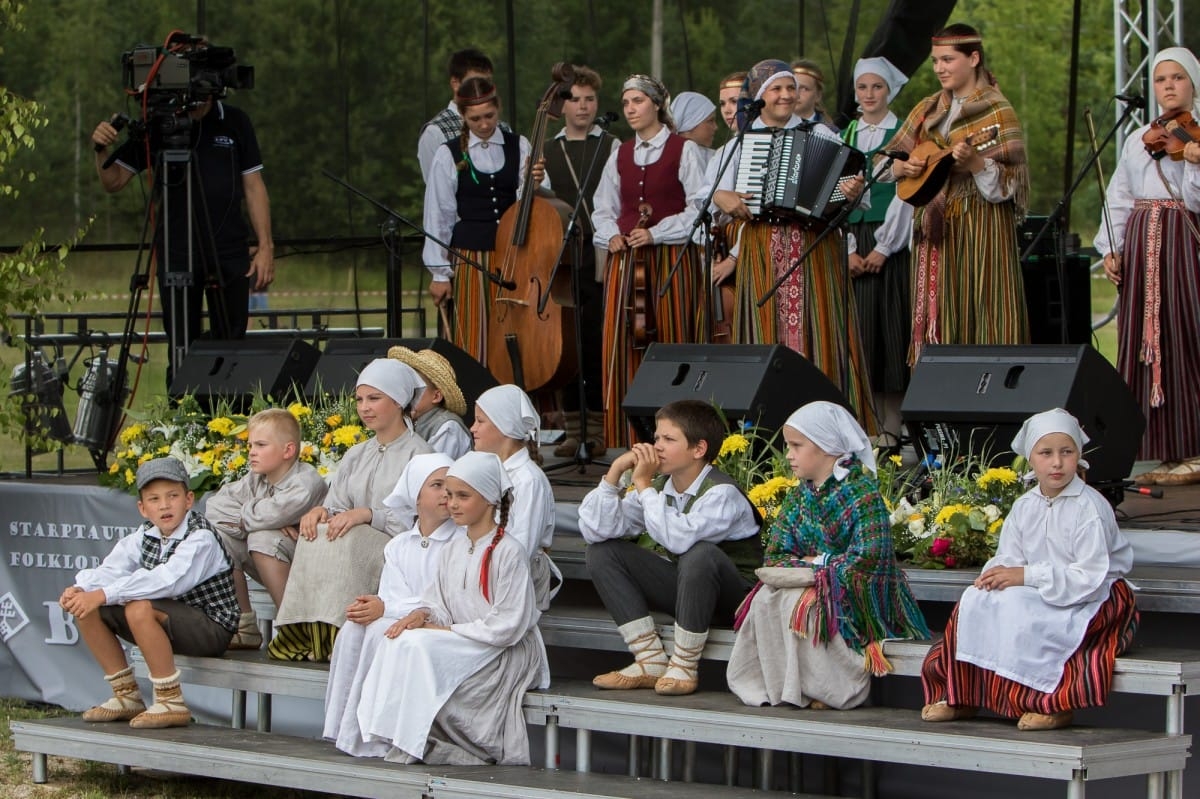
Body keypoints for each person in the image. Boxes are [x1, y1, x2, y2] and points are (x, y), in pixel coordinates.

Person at [921, 409, 1138, 731]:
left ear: (1078, 456)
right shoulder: (1026, 505)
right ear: (1031, 459)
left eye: (1066, 452)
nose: (1057, 463)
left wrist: (1027, 577)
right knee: (976, 601)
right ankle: (959, 695)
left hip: (1096, 596)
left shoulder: (1089, 507)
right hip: (1042, 588)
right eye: (1046, 453)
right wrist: (998, 575)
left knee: (1028, 614)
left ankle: (1052, 703)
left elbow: (1088, 576)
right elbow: (1010, 555)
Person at [726, 402, 928, 710]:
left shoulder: (862, 493)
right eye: (788, 446)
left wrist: (819, 564)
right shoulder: (799, 497)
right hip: (815, 581)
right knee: (766, 600)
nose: (789, 454)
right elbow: (777, 554)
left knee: (803, 604)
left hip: (859, 594)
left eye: (796, 446)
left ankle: (834, 687)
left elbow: (868, 558)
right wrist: (816, 568)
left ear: (827, 447)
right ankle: (782, 685)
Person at [708, 60, 873, 430]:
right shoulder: (739, 145)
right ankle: (765, 425)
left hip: (815, 252)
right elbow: (707, 196)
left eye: (790, 88)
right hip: (762, 249)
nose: (785, 95)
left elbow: (856, 199)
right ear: (759, 96)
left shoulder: (824, 137)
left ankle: (831, 425)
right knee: (763, 331)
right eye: (775, 89)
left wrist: (852, 192)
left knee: (822, 332)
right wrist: (724, 198)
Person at [355, 451, 549, 765]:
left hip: (499, 647)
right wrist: (421, 615)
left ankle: (417, 741)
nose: (453, 503)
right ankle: (395, 736)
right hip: (461, 639)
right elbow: (438, 602)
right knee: (400, 638)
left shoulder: (508, 551)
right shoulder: (456, 545)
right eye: (449, 495)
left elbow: (509, 625)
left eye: (463, 496)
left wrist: (445, 631)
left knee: (418, 645)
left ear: (488, 500)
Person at [91, 43, 273, 369]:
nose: (200, 99)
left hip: (228, 248)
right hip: (177, 250)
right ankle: (184, 412)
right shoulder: (161, 124)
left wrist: (265, 246)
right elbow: (114, 181)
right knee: (182, 346)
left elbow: (254, 185)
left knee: (231, 342)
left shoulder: (235, 122)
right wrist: (101, 150)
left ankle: (230, 413)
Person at [578, 399, 761, 696]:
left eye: (668, 439)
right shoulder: (661, 486)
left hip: (735, 601)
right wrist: (613, 476)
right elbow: (597, 530)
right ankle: (649, 660)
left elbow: (679, 540)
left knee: (699, 553)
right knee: (602, 551)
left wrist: (643, 484)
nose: (656, 447)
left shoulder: (722, 493)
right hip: (690, 596)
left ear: (698, 449)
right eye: (656, 438)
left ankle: (685, 666)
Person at [269, 358, 432, 661]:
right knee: (314, 533)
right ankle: (308, 637)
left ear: (398, 401)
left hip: (397, 547)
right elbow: (338, 504)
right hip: (354, 538)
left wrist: (369, 515)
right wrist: (322, 513)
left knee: (353, 539)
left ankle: (341, 637)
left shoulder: (420, 454)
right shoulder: (357, 453)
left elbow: (424, 521)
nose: (364, 407)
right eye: (359, 399)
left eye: (374, 398)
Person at [885, 23, 1030, 364]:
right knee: (936, 314)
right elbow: (886, 160)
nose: (939, 68)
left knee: (981, 308)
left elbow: (1013, 183)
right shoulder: (927, 108)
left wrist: (978, 163)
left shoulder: (997, 110)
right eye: (935, 61)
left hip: (980, 227)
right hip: (932, 230)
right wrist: (901, 169)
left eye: (948, 59)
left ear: (974, 58)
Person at [60, 457, 238, 729]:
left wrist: (103, 594)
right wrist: (82, 589)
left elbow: (168, 581)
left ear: (189, 500)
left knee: (138, 607)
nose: (164, 505)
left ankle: (171, 701)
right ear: (143, 508)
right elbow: (112, 567)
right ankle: (127, 695)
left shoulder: (200, 536)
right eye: (154, 499)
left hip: (211, 629)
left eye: (173, 496)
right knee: (87, 607)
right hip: (172, 623)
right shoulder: (145, 534)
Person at [1094, 47, 1200, 486]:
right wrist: (1112, 247)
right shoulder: (1141, 138)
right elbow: (1119, 196)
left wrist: (1195, 162)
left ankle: (1194, 446)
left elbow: (1194, 202)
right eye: (1161, 79)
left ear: (1193, 83)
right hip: (1141, 245)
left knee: (1186, 335)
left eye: (1177, 77)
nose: (1169, 86)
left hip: (1182, 246)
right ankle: (1165, 447)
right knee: (1143, 339)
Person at [592, 74, 708, 447]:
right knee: (622, 344)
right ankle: (628, 438)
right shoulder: (620, 153)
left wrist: (656, 233)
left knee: (672, 338)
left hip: (671, 260)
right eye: (626, 102)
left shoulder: (682, 150)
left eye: (638, 101)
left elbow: (698, 207)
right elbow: (603, 206)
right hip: (626, 261)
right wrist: (610, 234)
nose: (630, 109)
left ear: (657, 105)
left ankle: (679, 437)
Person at [325, 453, 456, 757]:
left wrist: (386, 610)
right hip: (402, 617)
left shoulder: (458, 543)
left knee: (381, 632)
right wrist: (379, 607)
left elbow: (443, 600)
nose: (446, 494)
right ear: (416, 495)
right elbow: (393, 594)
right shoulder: (398, 545)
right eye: (437, 485)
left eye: (450, 485)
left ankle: (383, 731)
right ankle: (349, 727)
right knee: (353, 630)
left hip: (439, 623)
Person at [422, 76, 542, 368]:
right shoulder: (448, 153)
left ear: (498, 110)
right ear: (463, 116)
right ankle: (473, 399)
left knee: (515, 331)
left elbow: (535, 202)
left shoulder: (519, 146)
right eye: (475, 119)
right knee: (473, 335)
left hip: (514, 254)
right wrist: (439, 272)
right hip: (470, 256)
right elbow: (439, 214)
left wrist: (534, 183)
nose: (484, 124)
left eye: (489, 116)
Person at [542, 65, 620, 458]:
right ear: (563, 103)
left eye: (590, 99)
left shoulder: (612, 144)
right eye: (575, 99)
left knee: (596, 339)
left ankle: (600, 427)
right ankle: (573, 428)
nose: (584, 106)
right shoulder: (546, 148)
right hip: (561, 256)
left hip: (599, 251)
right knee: (566, 342)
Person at [203, 408, 328, 648]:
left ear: (288, 450)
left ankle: (296, 628)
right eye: (250, 445)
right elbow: (214, 508)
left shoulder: (304, 482)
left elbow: (268, 517)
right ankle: (245, 624)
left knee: (262, 537)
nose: (251, 452)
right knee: (218, 537)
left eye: (260, 445)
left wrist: (263, 520)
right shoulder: (255, 478)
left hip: (311, 568)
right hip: (276, 559)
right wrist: (269, 520)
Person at [842, 57, 916, 447]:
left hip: (891, 242)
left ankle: (895, 430)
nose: (869, 95)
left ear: (889, 91)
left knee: (892, 335)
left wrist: (885, 247)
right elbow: (837, 193)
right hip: (854, 241)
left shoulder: (903, 134)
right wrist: (849, 249)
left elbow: (907, 196)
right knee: (864, 341)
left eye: (877, 88)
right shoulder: (846, 134)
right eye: (863, 88)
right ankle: (869, 433)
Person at [471, 385, 558, 608]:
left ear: (504, 427)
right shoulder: (486, 469)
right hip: (481, 568)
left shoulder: (529, 480)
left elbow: (523, 545)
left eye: (480, 421)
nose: (472, 428)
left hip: (514, 583)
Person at [418, 48, 501, 183]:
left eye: (487, 83)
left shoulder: (502, 128)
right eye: (473, 82)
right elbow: (437, 191)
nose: (480, 89)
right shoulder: (435, 132)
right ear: (455, 84)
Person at [387, 345, 472, 459]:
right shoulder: (410, 420)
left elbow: (432, 467)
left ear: (436, 396)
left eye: (416, 388)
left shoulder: (448, 427)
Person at [791, 59, 839, 132]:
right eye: (792, 87)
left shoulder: (830, 132)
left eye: (804, 89)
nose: (796, 94)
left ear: (818, 95)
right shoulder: (772, 127)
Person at [671, 91, 719, 160]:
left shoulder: (716, 158)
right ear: (689, 125)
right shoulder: (672, 160)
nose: (716, 127)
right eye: (710, 121)